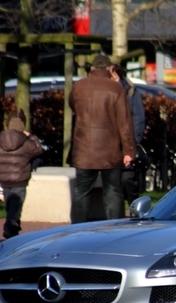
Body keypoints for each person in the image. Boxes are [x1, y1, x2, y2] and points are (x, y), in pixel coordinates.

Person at [68, 54, 136, 223]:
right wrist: (128, 151)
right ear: (110, 69)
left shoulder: (79, 86)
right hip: (110, 150)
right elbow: (124, 122)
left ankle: (75, 229)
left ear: (91, 68)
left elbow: (72, 106)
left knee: (81, 191)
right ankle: (115, 227)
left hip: (83, 150)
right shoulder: (116, 89)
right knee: (113, 190)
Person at [0, 109, 43, 239]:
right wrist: (31, 136)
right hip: (20, 178)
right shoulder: (27, 142)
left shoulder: (0, 140)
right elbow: (38, 150)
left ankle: (12, 226)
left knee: (10, 204)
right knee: (16, 205)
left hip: (4, 179)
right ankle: (11, 226)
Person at [109, 63, 147, 209]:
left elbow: (138, 118)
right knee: (113, 183)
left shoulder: (130, 91)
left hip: (127, 143)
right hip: (110, 144)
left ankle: (135, 210)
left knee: (128, 179)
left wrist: (134, 142)